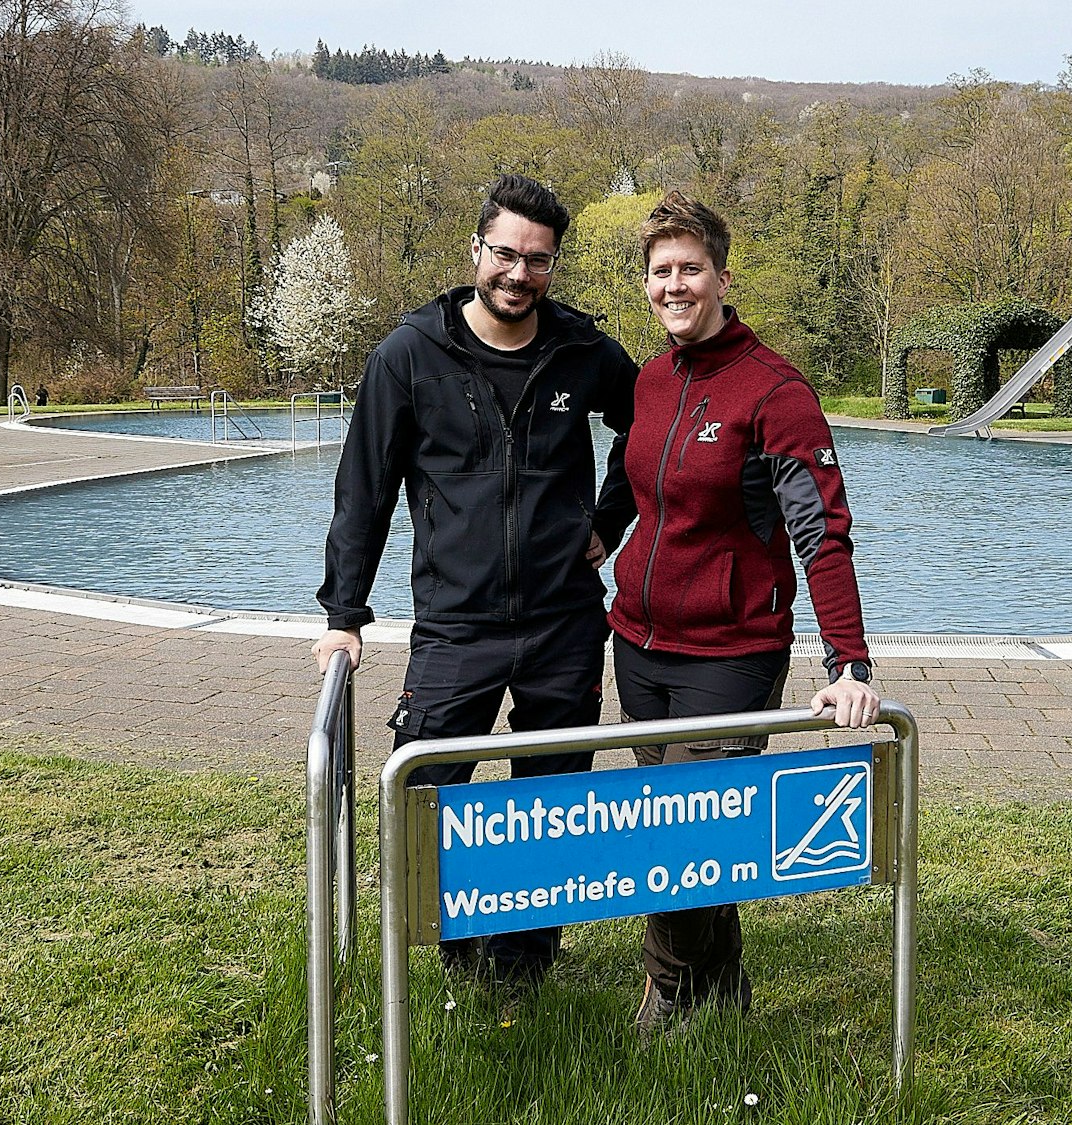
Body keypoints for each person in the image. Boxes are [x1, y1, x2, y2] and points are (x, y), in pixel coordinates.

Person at [312, 173, 638, 985]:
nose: (519, 274)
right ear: (477, 250)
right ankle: (455, 952)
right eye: (506, 254)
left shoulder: (582, 350)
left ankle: (524, 961)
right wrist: (343, 612)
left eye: (538, 260)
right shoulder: (409, 355)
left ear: (553, 265)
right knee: (427, 782)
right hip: (457, 624)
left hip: (565, 618)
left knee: (552, 801)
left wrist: (610, 519)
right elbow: (364, 490)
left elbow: (650, 421)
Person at [606, 191, 880, 1033]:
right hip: (639, 647)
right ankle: (724, 991)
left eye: (690, 268)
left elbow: (821, 532)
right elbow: (631, 480)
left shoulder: (775, 392)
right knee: (687, 831)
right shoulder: (652, 378)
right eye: (661, 271)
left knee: (682, 848)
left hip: (729, 654)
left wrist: (850, 663)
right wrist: (593, 540)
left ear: (723, 276)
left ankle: (666, 1000)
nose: (675, 284)